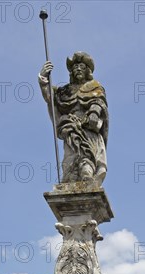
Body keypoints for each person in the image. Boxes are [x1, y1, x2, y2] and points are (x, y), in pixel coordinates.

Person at [39, 52, 109, 186]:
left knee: (86, 154)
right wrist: (43, 78)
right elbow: (51, 98)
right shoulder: (65, 92)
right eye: (75, 67)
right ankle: (71, 177)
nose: (77, 69)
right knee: (70, 159)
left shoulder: (95, 87)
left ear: (87, 70)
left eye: (81, 66)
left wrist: (94, 112)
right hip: (70, 128)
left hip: (88, 128)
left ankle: (87, 174)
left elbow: (99, 101)